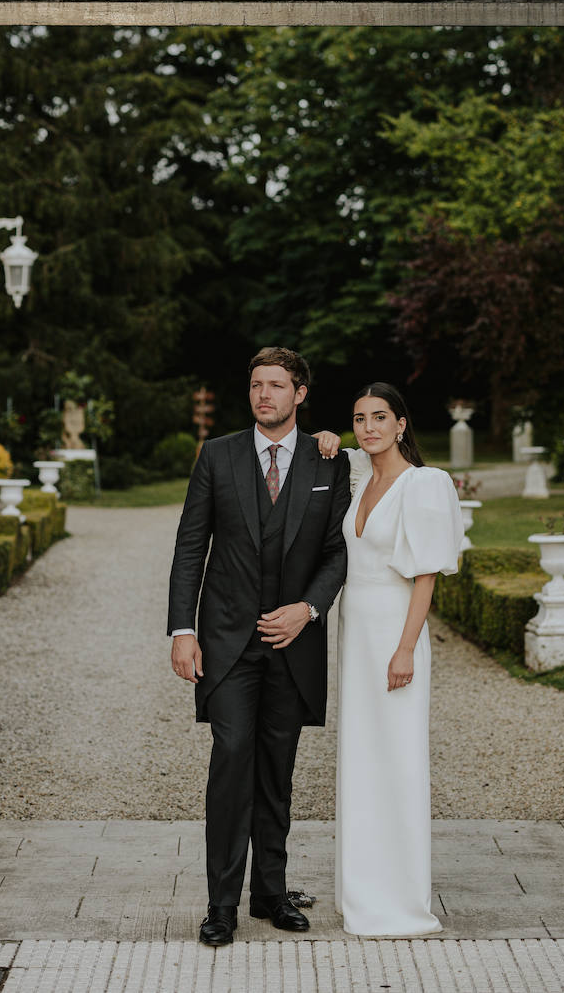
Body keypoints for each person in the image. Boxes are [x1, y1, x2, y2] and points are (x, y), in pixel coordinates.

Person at [168, 346, 350, 947]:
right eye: (255, 385)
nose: (263, 394)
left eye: (276, 385)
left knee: (278, 771)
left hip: (294, 643)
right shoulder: (217, 456)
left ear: (300, 393)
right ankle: (221, 904)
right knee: (231, 762)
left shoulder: (331, 462)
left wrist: (309, 608)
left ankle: (270, 893)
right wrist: (182, 630)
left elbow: (338, 551)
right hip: (227, 644)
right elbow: (191, 546)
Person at [318, 382, 463, 937]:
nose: (369, 427)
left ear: (402, 424)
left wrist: (406, 647)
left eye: (381, 417)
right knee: (360, 759)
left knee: (397, 760)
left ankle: (399, 899)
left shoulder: (423, 483)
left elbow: (425, 573)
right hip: (354, 631)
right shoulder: (360, 477)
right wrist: (329, 435)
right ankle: (362, 890)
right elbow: (320, 444)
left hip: (395, 632)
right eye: (359, 418)